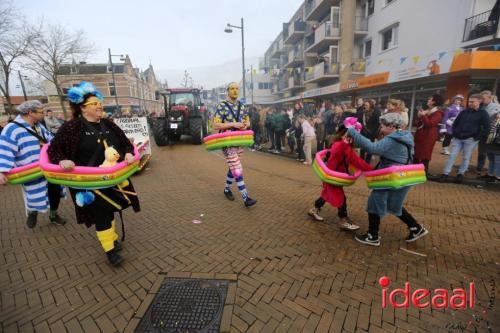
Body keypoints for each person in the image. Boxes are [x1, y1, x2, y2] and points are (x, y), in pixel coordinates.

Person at [47, 82, 140, 266]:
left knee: (111, 208)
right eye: (94, 104)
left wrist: (129, 152)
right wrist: (62, 161)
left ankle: (112, 238)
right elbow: (54, 150)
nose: (99, 106)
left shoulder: (109, 124)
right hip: (89, 183)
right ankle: (110, 250)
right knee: (102, 214)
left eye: (99, 103)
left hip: (113, 179)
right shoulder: (71, 127)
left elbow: (125, 143)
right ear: (82, 108)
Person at [346, 113, 429, 246]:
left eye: (383, 125)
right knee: (394, 205)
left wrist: (352, 131)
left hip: (390, 177)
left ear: (391, 126)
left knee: (374, 201)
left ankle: (372, 236)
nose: (381, 127)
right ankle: (416, 228)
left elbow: (372, 148)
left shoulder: (392, 139)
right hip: (403, 176)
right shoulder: (405, 136)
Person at [0, 100, 66, 228]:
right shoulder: (11, 129)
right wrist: (1, 170)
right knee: (35, 194)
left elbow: (50, 141)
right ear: (31, 113)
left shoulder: (38, 126)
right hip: (30, 171)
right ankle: (33, 211)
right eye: (41, 112)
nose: (44, 114)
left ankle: (53, 214)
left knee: (55, 191)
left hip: (48, 168)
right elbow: (4, 149)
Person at [308, 121, 372, 230]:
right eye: (350, 135)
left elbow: (358, 161)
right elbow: (334, 160)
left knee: (326, 194)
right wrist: (329, 178)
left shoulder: (346, 147)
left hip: (336, 177)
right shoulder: (339, 145)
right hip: (332, 177)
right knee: (341, 198)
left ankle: (314, 209)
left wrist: (372, 170)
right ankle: (343, 220)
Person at [212, 82, 257, 207]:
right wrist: (233, 124)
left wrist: (246, 125)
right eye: (232, 89)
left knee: (233, 166)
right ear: (228, 91)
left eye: (237, 89)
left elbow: (247, 120)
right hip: (227, 142)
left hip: (239, 141)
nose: (235, 91)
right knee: (237, 168)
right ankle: (246, 197)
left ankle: (227, 189)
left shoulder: (242, 106)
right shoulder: (222, 106)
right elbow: (215, 125)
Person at [440, 94, 490, 183]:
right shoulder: (464, 111)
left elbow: (487, 128)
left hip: (470, 139)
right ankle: (445, 173)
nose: (470, 103)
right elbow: (455, 123)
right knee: (452, 156)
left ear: (479, 101)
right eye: (469, 101)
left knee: (466, 157)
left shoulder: (483, 113)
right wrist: (455, 133)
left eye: (472, 101)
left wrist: (476, 137)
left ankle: (460, 174)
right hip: (458, 138)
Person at [413, 94, 444, 175]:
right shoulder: (427, 111)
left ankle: (423, 172)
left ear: (434, 102)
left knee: (425, 155)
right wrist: (419, 116)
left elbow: (430, 123)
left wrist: (423, 116)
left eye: (430, 99)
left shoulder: (438, 113)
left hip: (428, 136)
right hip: (421, 135)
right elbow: (417, 123)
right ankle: (414, 171)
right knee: (416, 153)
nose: (428, 100)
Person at [476, 90, 500, 175]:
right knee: (482, 151)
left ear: (490, 98)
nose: (482, 100)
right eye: (481, 98)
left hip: (492, 134)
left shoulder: (496, 106)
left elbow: (491, 119)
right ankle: (480, 168)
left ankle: (496, 174)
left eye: (484, 98)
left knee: (493, 154)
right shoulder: (481, 107)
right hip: (483, 133)